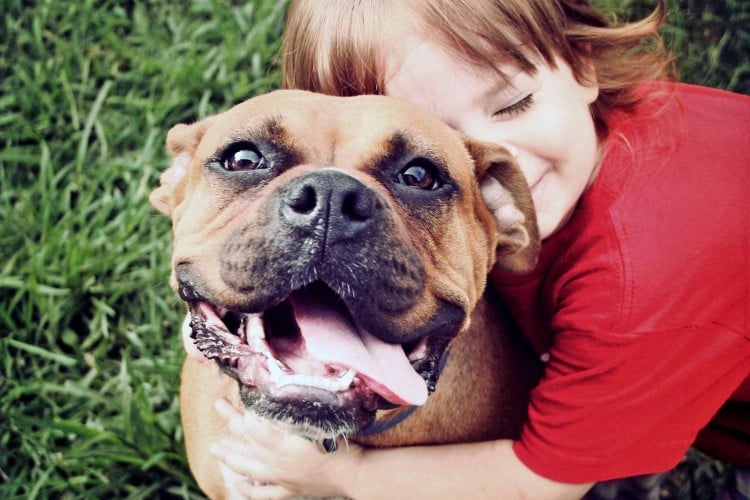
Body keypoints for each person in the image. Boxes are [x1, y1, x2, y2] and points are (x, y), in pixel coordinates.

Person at [195, 1, 750, 498]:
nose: (489, 152)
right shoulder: (558, 166)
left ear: (583, 67)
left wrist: (345, 477)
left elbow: (543, 483)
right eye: (429, 134)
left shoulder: (637, 288)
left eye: (419, 169)